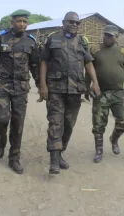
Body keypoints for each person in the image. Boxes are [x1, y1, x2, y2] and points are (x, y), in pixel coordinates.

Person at [39, 11, 101, 174]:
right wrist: (42, 85)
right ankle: (53, 161)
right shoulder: (53, 39)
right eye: (71, 22)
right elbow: (44, 62)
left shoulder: (82, 41)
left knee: (69, 124)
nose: (74, 25)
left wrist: (95, 82)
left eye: (77, 23)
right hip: (55, 89)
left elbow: (88, 63)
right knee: (55, 123)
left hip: (75, 90)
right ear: (63, 23)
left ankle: (59, 153)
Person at [0, 9, 40, 174]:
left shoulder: (31, 42)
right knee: (1, 119)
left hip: (21, 89)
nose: (22, 24)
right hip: (2, 86)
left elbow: (35, 66)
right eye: (19, 21)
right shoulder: (1, 38)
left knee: (18, 124)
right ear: (12, 22)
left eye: (25, 21)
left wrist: (40, 85)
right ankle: (1, 140)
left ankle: (14, 158)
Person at [86, 25, 124, 163]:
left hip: (118, 93)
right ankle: (99, 151)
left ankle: (114, 139)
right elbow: (89, 68)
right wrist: (86, 86)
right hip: (100, 92)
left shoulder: (123, 52)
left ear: (116, 37)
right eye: (106, 35)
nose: (107, 38)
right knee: (98, 124)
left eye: (111, 36)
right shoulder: (95, 50)